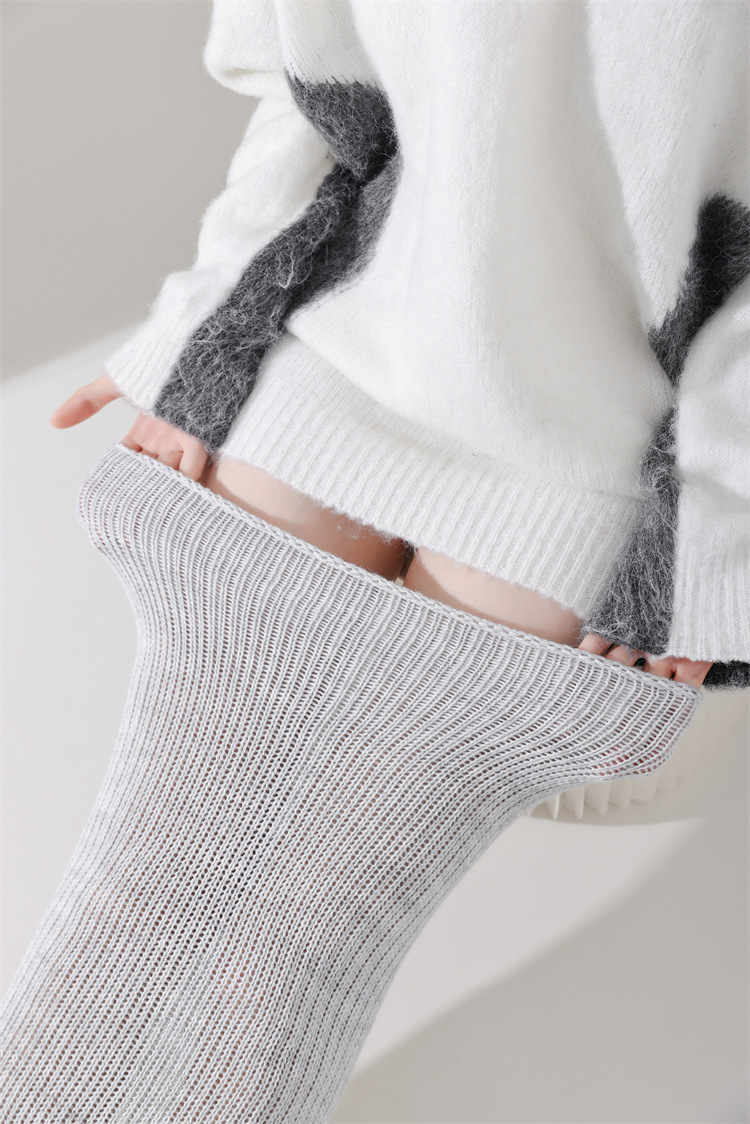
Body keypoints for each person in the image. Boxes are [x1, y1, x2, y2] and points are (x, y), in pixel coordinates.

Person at [2, 1, 747, 1120]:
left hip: (600, 450)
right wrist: (205, 332)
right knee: (161, 887)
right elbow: (308, 87)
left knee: (299, 946)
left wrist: (712, 552)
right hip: (365, 353)